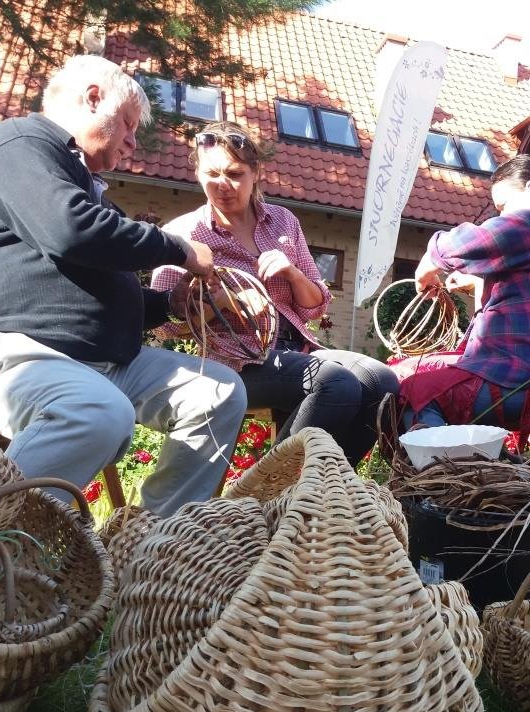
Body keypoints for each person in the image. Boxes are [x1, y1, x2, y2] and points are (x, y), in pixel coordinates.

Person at [0, 55, 248, 518]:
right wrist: (178, 248)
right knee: (97, 412)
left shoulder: (83, 183)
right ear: (93, 98)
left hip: (93, 363)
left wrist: (172, 303)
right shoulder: (17, 144)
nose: (133, 140)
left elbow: (99, 288)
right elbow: (70, 231)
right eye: (128, 124)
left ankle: (154, 539)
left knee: (219, 392)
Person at [151, 121, 398, 467]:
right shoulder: (184, 234)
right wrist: (217, 301)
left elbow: (314, 307)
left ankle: (327, 482)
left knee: (381, 382)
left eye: (234, 174)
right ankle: (267, 488)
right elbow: (164, 323)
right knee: (336, 383)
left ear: (256, 173)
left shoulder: (283, 222)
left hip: (298, 348)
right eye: (212, 174)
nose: (222, 185)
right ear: (197, 173)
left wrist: (292, 273)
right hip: (236, 362)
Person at [398, 154, 530, 433]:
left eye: (503, 207)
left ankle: (446, 461)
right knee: (405, 370)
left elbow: (471, 242)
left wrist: (427, 264)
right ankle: (471, 455)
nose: (501, 216)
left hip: (528, 378)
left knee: (412, 391)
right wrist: (477, 284)